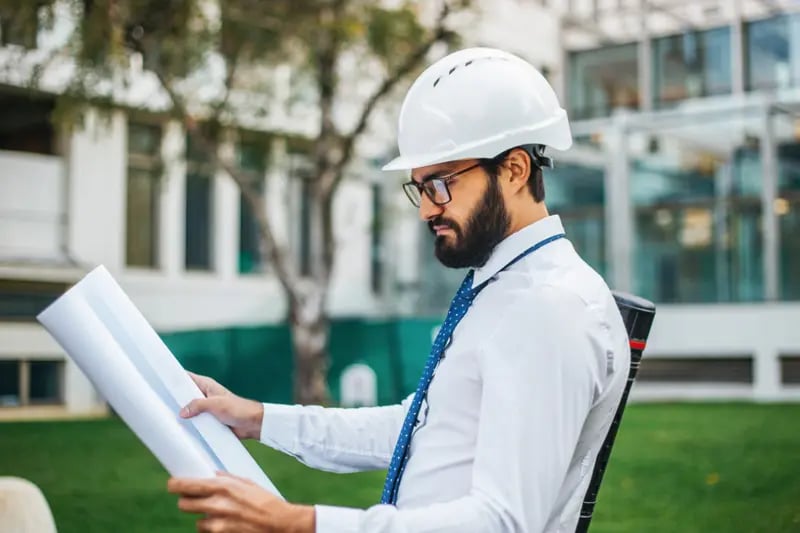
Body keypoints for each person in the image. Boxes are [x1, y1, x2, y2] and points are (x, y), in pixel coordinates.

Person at [168, 47, 631, 533]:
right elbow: (421, 430)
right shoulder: (503, 287)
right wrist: (258, 419)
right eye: (420, 188)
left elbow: (504, 521)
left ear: (514, 169)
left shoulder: (551, 307)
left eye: (441, 183)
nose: (427, 210)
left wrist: (301, 523)